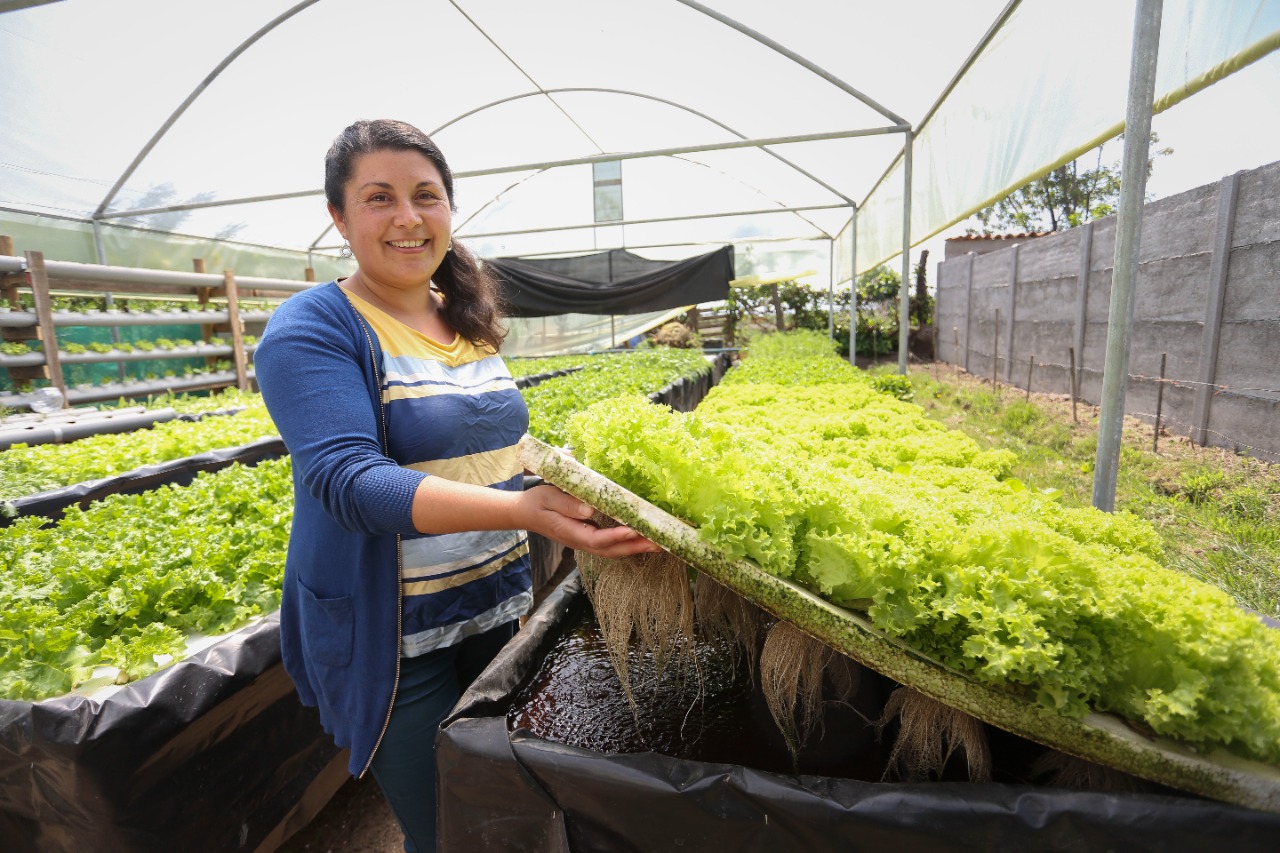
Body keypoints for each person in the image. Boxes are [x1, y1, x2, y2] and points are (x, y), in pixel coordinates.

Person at [255, 118, 657, 853]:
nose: (408, 217)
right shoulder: (312, 328)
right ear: (339, 218)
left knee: (501, 805)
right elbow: (349, 482)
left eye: (426, 195)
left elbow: (492, 445)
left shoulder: (462, 317)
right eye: (379, 198)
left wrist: (582, 480)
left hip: (494, 605)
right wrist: (524, 510)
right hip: (394, 638)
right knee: (450, 830)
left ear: (449, 209)